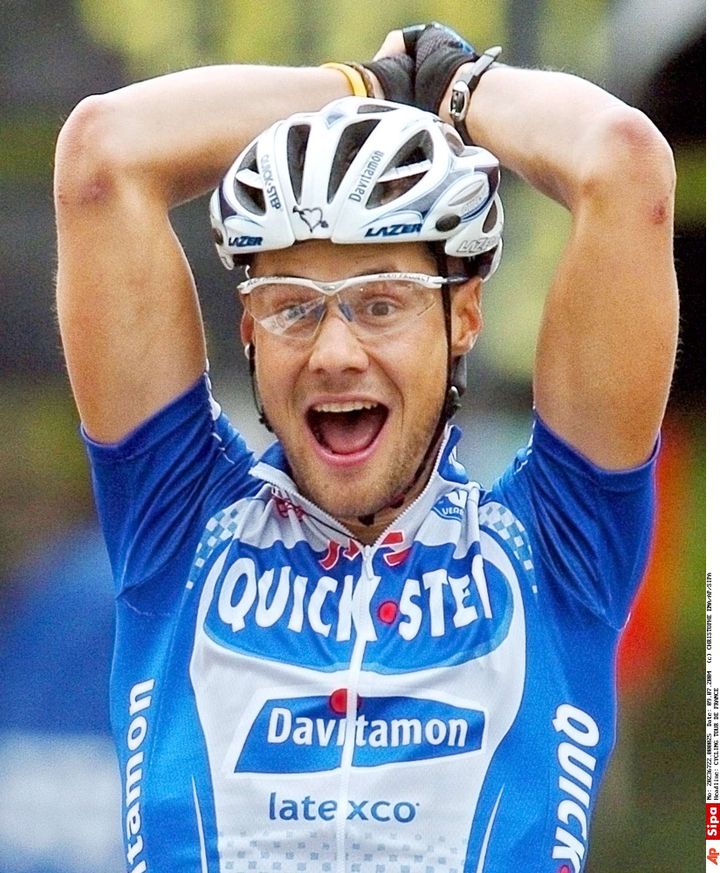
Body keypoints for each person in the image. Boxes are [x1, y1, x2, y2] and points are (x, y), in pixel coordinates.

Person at [53, 22, 678, 873]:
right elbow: (103, 155)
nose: (335, 351)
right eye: (293, 304)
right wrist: (367, 87)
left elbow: (621, 164)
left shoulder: (553, 551)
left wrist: (455, 89)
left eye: (383, 302)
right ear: (248, 329)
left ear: (462, 319)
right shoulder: (179, 524)